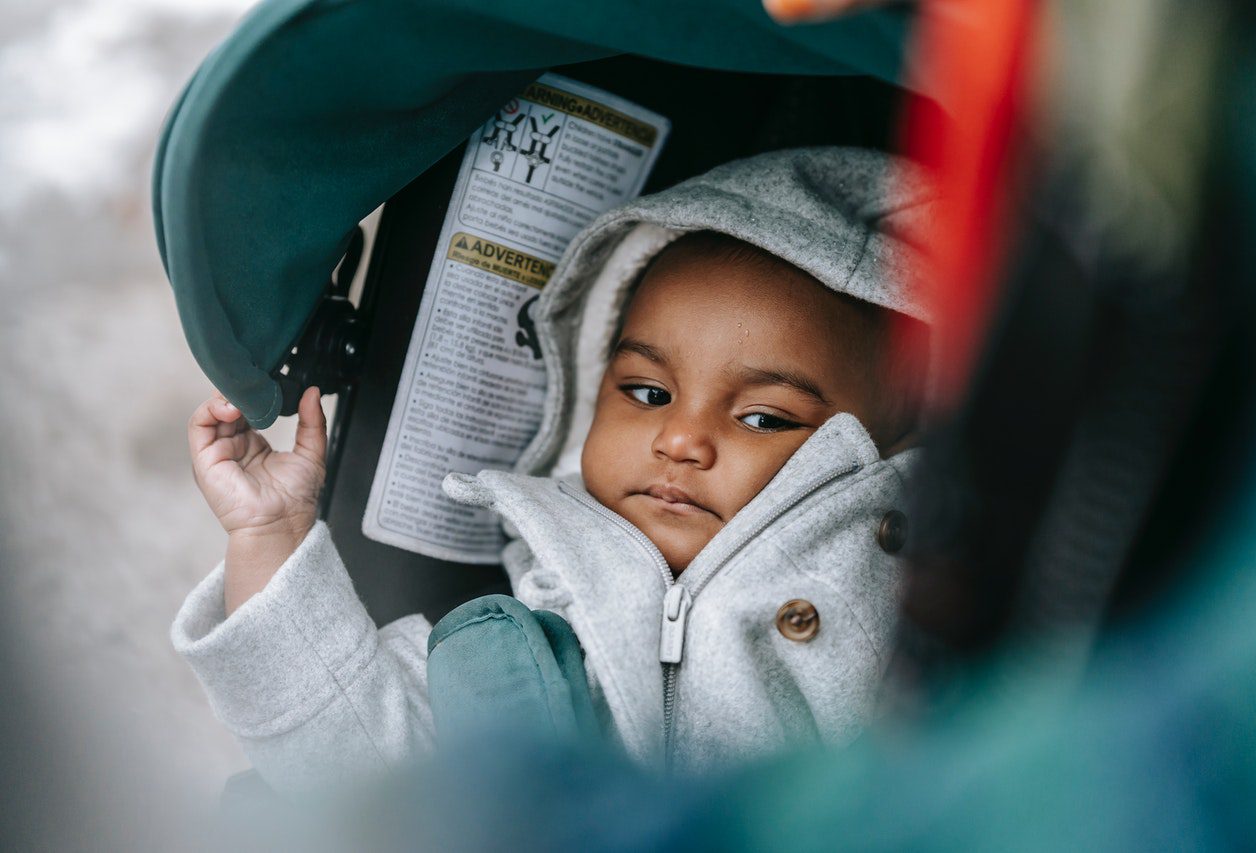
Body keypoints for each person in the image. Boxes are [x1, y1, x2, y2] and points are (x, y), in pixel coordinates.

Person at [174, 147, 936, 792]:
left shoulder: (918, 607)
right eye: (646, 392)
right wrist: (270, 532)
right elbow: (347, 760)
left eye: (763, 417)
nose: (679, 439)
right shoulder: (522, 646)